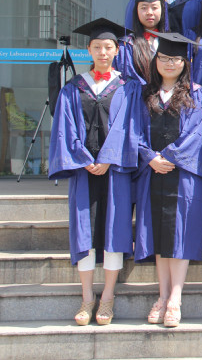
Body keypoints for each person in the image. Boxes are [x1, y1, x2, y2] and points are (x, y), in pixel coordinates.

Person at [48, 18, 139, 326]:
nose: (102, 52)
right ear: (88, 49)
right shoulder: (73, 88)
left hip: (115, 171)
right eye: (97, 47)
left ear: (117, 51)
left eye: (108, 47)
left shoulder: (128, 87)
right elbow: (66, 128)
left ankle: (108, 297)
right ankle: (87, 297)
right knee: (84, 232)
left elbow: (128, 127)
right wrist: (84, 158)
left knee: (115, 230)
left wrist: (108, 159)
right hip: (83, 170)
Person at [134, 31, 202, 328]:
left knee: (180, 234)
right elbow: (133, 129)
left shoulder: (197, 93)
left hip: (184, 175)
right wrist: (149, 157)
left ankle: (175, 297)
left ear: (185, 63)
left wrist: (170, 157)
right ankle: (162, 295)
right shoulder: (144, 94)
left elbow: (198, 133)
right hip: (152, 172)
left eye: (175, 59)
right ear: (156, 60)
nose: (169, 63)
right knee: (158, 234)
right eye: (164, 58)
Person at [116, 0, 170, 84]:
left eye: (154, 7)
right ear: (136, 11)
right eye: (144, 8)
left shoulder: (172, 41)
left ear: (162, 10)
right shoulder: (127, 45)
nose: (149, 12)